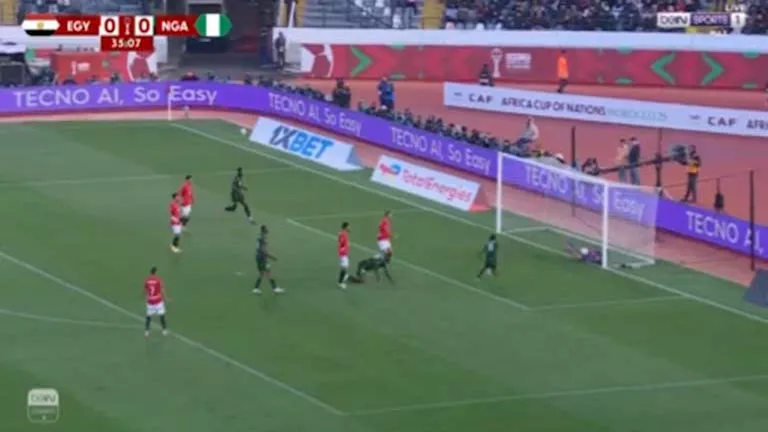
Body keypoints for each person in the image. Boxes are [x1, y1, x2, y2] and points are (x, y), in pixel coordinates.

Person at [144, 266, 168, 337]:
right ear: (156, 272)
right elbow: (162, 289)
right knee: (162, 315)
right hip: (158, 301)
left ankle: (146, 331)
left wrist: (147, 298)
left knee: (148, 316)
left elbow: (146, 290)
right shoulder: (158, 280)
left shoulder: (147, 280)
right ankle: (164, 330)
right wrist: (166, 298)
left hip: (150, 301)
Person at [338, 221, 350, 289]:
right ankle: (340, 282)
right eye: (348, 226)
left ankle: (344, 275)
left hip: (344, 253)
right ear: (346, 227)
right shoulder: (343, 234)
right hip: (343, 253)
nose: (349, 228)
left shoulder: (343, 233)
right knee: (344, 267)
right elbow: (342, 243)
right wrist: (344, 248)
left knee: (345, 266)